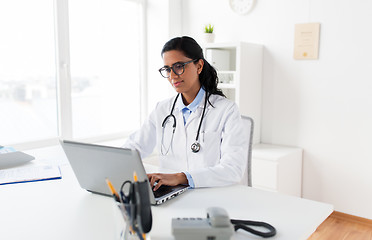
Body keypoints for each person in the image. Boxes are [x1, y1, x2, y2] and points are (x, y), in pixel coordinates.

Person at [123, 36, 247, 191]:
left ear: (199, 66)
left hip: (211, 193)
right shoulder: (162, 109)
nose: (172, 75)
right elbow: (136, 146)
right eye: (167, 69)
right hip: (170, 195)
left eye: (179, 66)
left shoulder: (226, 110)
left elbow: (233, 169)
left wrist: (181, 177)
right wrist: (112, 164)